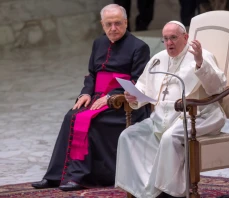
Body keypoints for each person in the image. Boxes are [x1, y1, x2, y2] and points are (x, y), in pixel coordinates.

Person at [31, 4, 151, 191]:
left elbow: (139, 81)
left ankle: (80, 177)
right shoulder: (98, 43)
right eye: (108, 24)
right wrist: (85, 93)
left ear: (126, 23)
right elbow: (92, 75)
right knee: (70, 116)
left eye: (118, 23)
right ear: (102, 25)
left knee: (92, 122)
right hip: (96, 97)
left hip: (124, 104)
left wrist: (112, 96)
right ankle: (55, 176)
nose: (113, 28)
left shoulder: (139, 47)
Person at [115, 21, 227, 198]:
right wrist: (134, 96)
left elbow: (217, 88)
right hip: (161, 118)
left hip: (198, 115)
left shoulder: (202, 56)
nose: (169, 43)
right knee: (128, 136)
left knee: (169, 138)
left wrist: (199, 63)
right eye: (165, 39)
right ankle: (143, 191)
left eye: (173, 38)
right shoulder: (158, 59)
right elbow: (144, 86)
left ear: (186, 37)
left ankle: (170, 194)